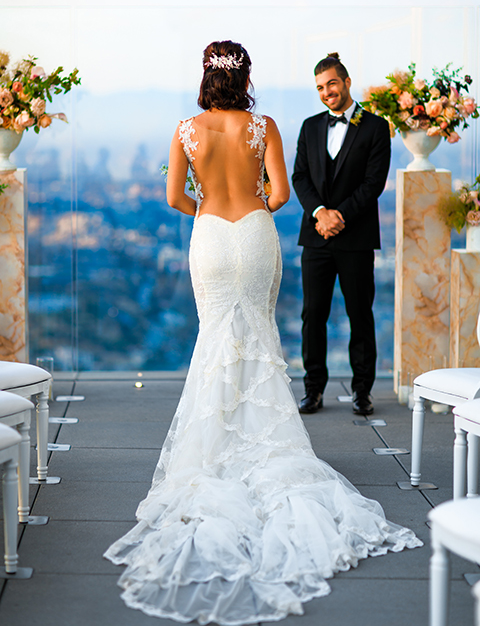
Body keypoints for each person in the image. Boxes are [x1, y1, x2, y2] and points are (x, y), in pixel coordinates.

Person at [104, 41, 420, 625]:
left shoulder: (185, 129)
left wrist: (205, 210)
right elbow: (279, 194)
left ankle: (214, 446)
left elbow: (174, 196)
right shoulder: (265, 125)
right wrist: (250, 207)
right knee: (258, 337)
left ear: (205, 77)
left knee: (214, 337)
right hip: (252, 234)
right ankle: (265, 443)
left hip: (209, 238)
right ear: (245, 78)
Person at [292, 52, 391, 417]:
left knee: (359, 314)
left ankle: (362, 392)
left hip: (356, 237)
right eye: (320, 87)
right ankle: (312, 389)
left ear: (347, 83)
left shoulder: (376, 127)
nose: (326, 92)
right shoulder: (309, 126)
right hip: (315, 237)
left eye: (331, 83)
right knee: (312, 315)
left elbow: (373, 184)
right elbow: (299, 177)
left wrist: (339, 216)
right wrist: (320, 213)